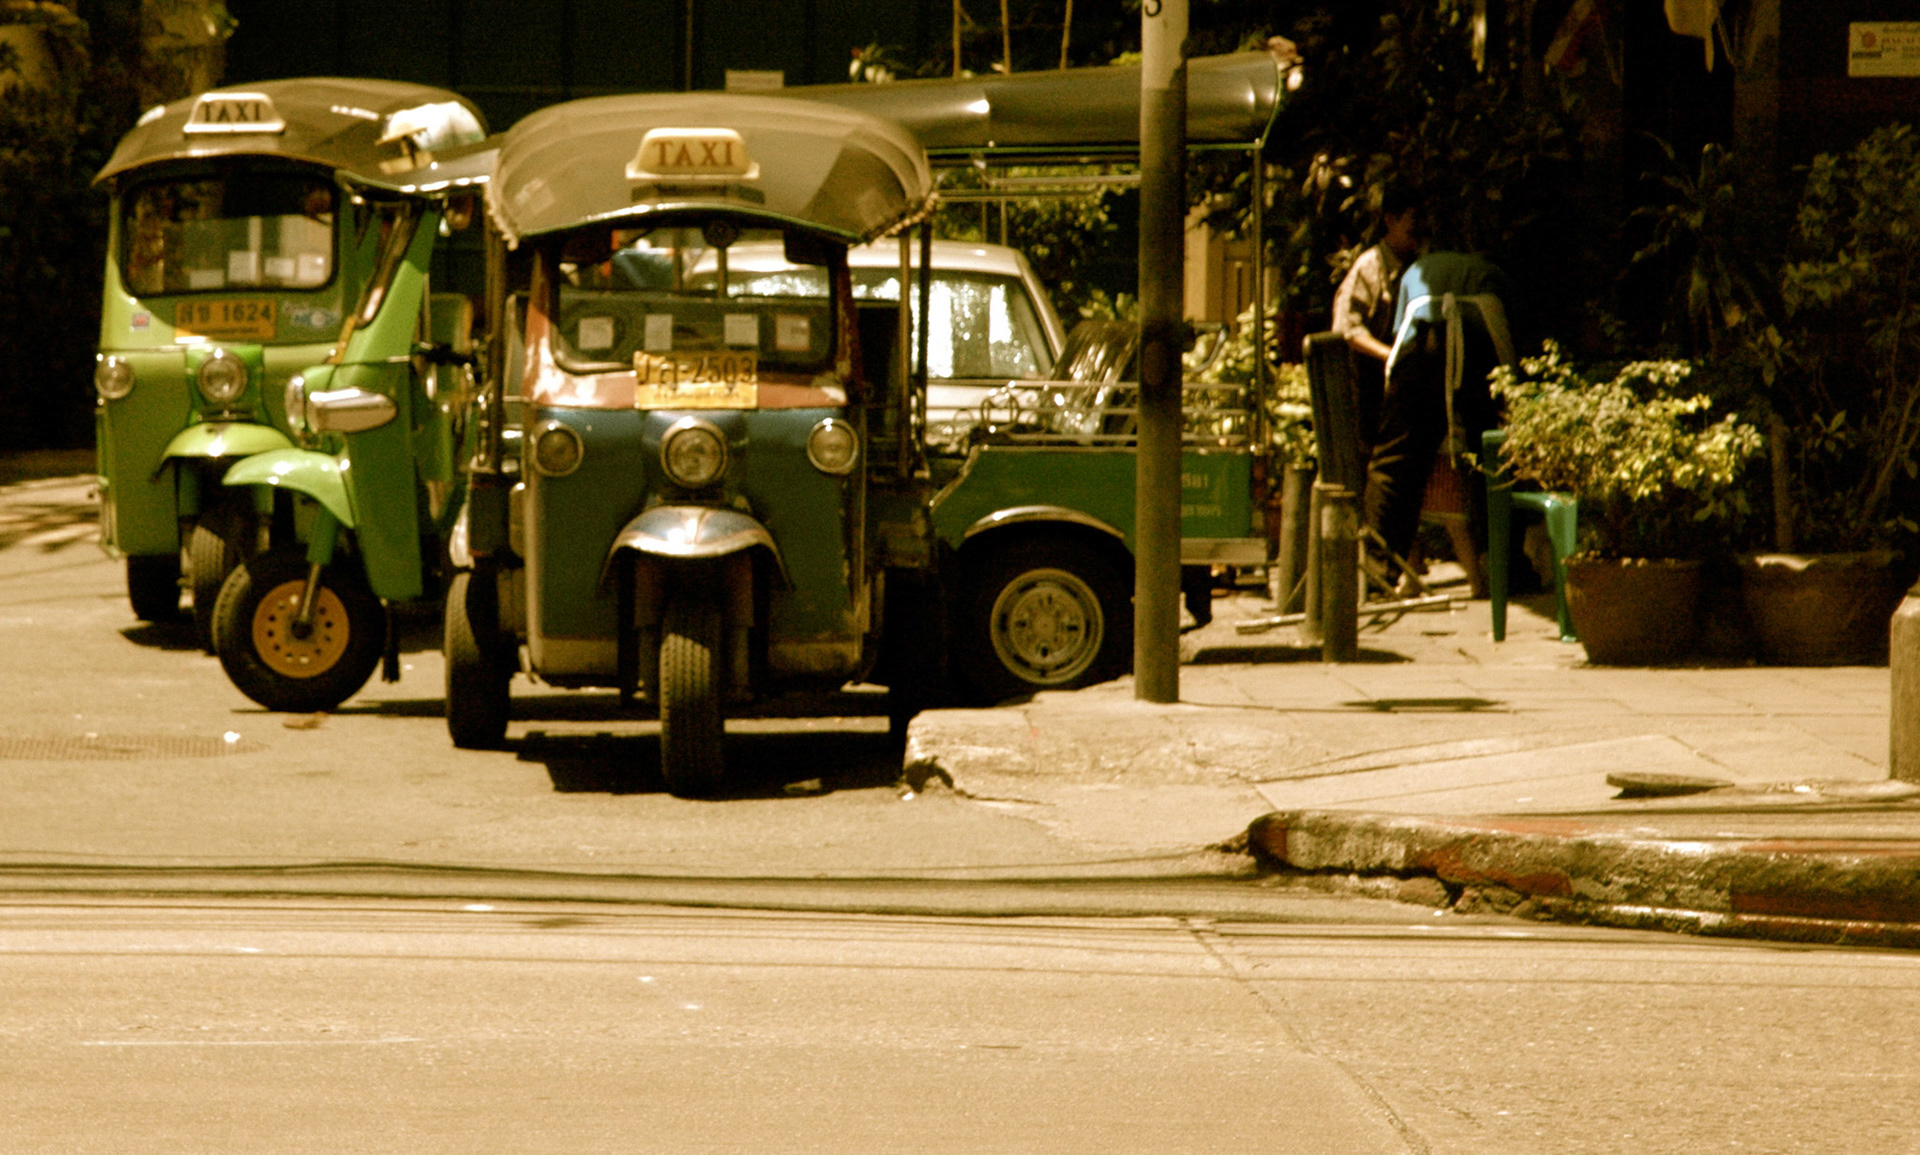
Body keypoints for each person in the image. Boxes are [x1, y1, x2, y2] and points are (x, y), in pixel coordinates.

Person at [1362, 251, 1516, 587]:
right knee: (1492, 454)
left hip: (1423, 342)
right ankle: (1505, 565)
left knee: (1395, 458)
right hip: (1477, 345)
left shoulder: (1414, 271)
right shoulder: (1491, 273)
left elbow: (1401, 331)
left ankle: (1377, 569)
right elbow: (1504, 331)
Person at [1331, 187, 1423, 448]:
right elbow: (1347, 330)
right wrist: (1391, 356)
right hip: (1367, 391)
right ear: (1390, 220)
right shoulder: (1369, 266)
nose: (1418, 228)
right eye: (1412, 219)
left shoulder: (1418, 265)